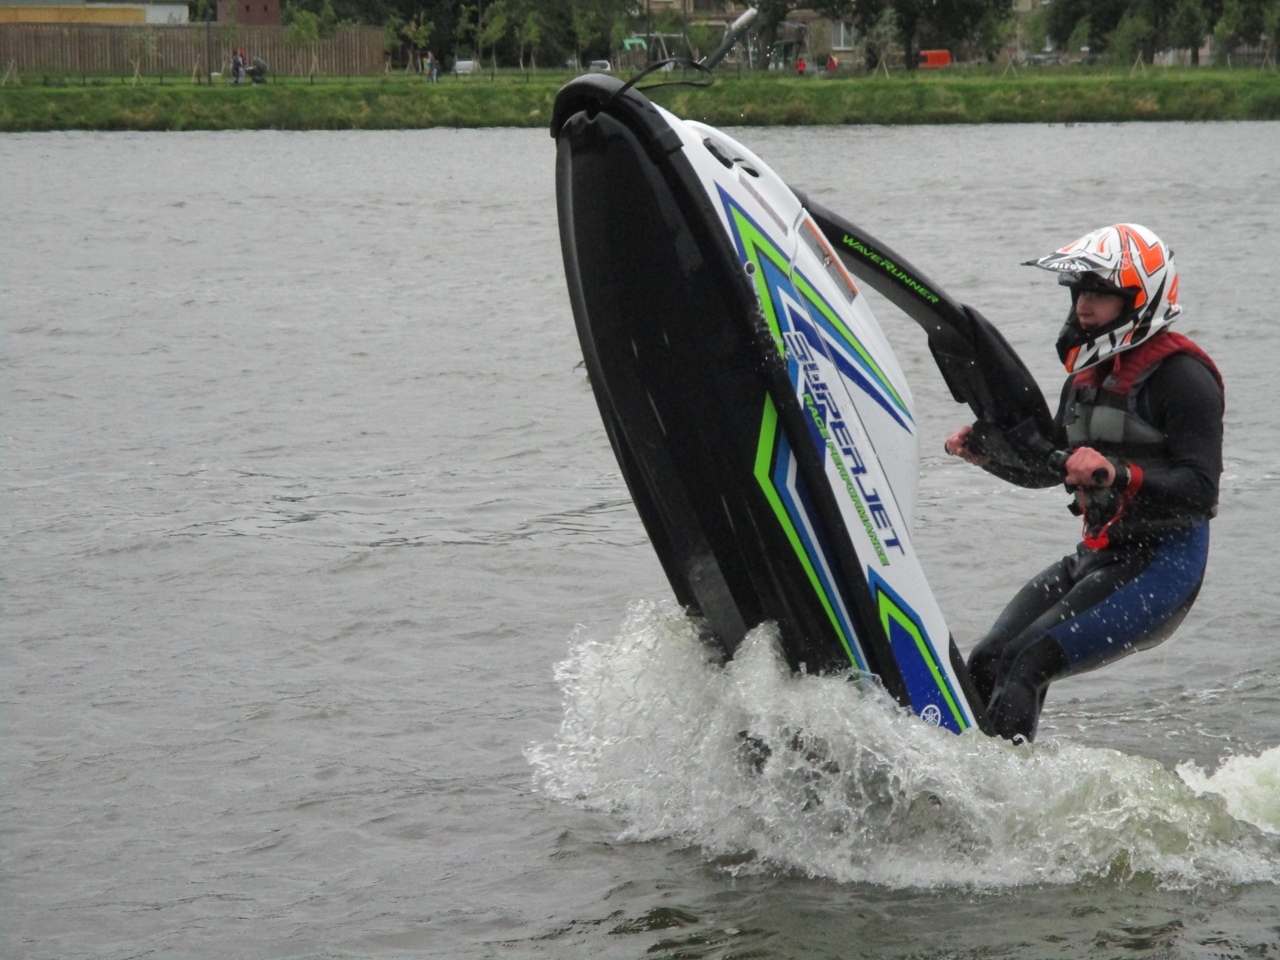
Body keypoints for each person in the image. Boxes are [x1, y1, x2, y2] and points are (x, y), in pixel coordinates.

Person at [945, 224, 1224, 743]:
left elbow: (1201, 490)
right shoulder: (1086, 377)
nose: (1083, 308)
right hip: (1096, 556)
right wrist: (989, 456)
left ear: (1140, 299)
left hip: (1162, 566)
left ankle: (1003, 800)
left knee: (1028, 661)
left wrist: (1116, 472)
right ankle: (954, 776)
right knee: (988, 658)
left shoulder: (1184, 377)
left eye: (1099, 295)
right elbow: (1052, 469)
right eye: (1079, 294)